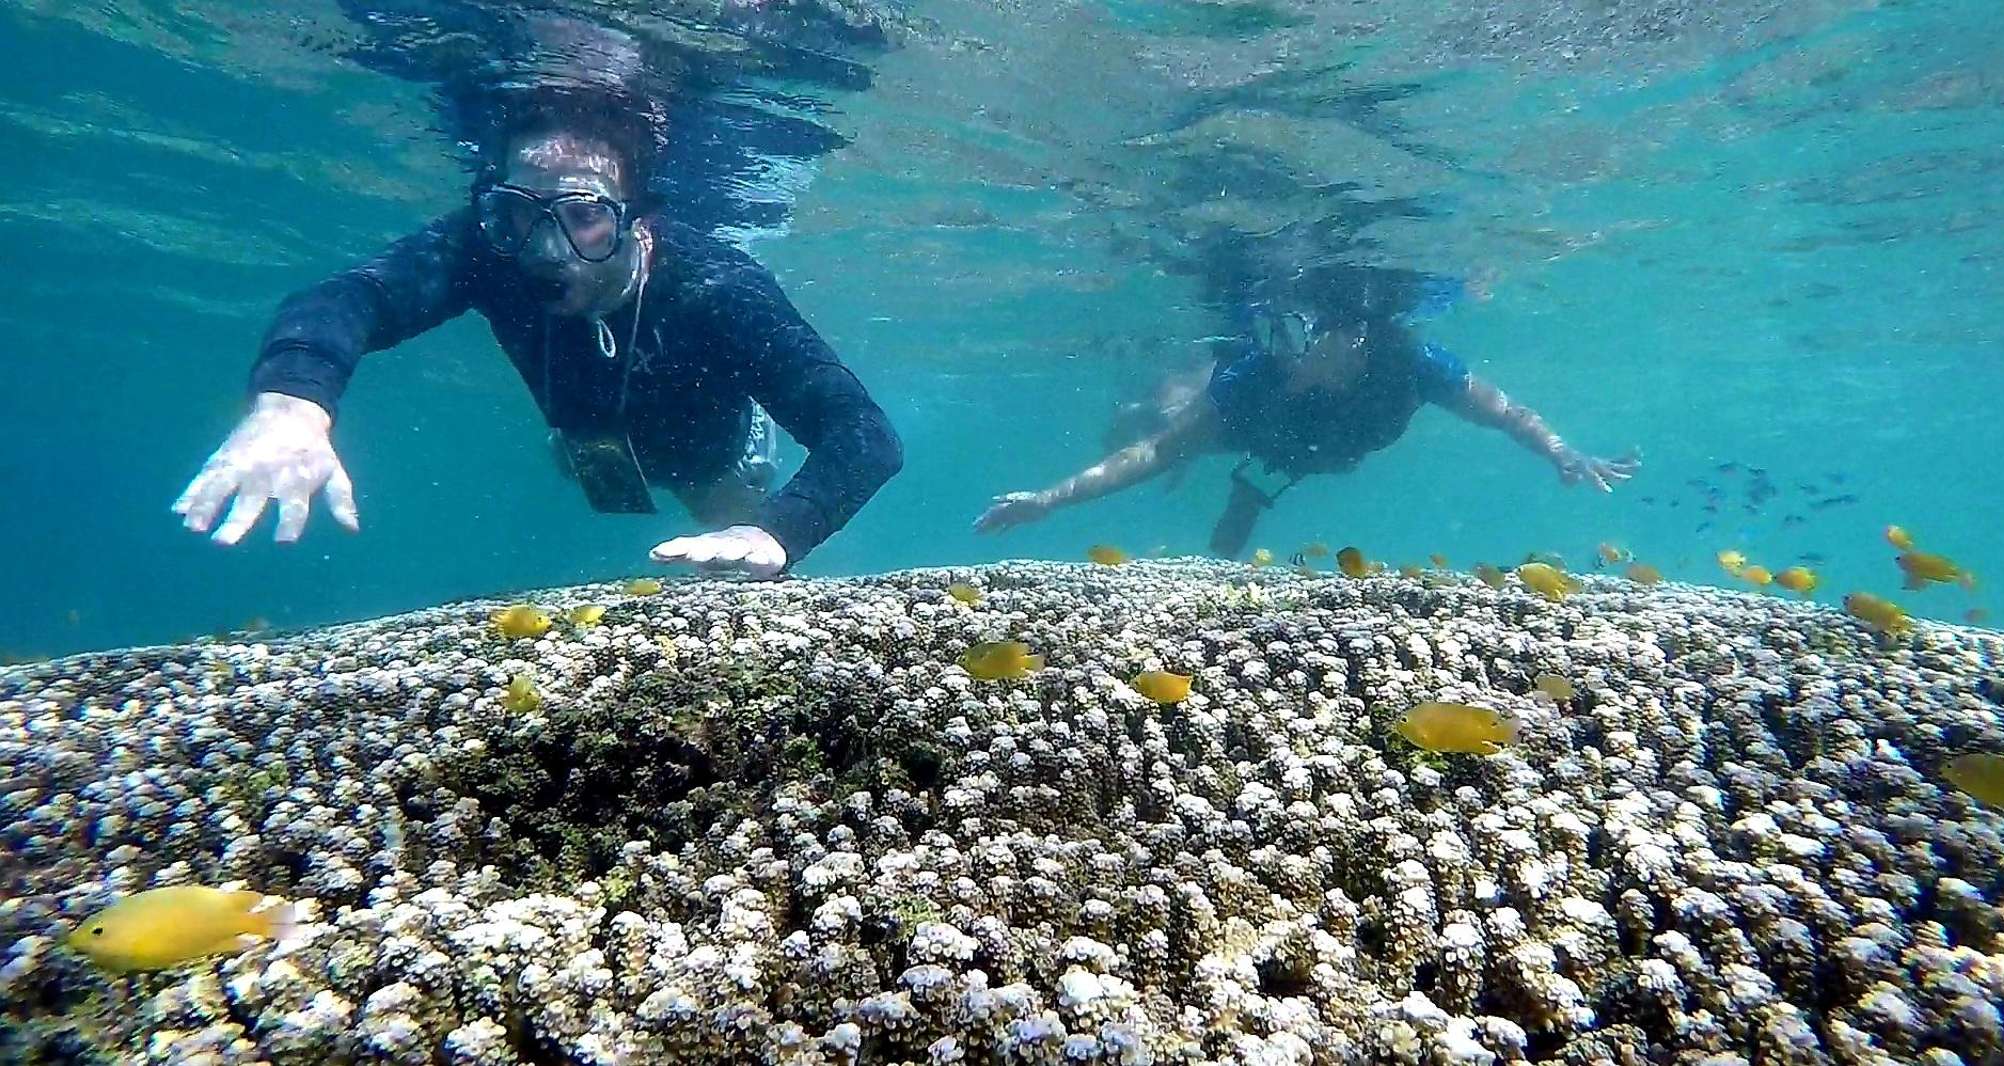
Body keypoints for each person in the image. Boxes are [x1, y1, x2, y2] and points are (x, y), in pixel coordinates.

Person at [173, 97, 901, 578]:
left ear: (638, 220)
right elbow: (349, 297)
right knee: (585, 457)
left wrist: (780, 530)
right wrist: (292, 405)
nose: (548, 250)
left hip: (712, 461)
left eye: (584, 214)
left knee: (732, 553)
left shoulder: (718, 289)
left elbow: (864, 434)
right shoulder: (491, 249)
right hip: (586, 439)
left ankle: (748, 478)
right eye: (522, 210)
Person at [974, 274, 1636, 554]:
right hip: (1259, 434)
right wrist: (1049, 500)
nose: (1280, 347)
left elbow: (1506, 412)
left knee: (1249, 494)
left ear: (1354, 336)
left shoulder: (1412, 362)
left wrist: (1561, 451)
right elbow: (1157, 453)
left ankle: (1245, 489)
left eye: (1297, 332)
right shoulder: (1257, 374)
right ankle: (1155, 404)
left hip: (1316, 454)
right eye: (1277, 330)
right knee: (1172, 424)